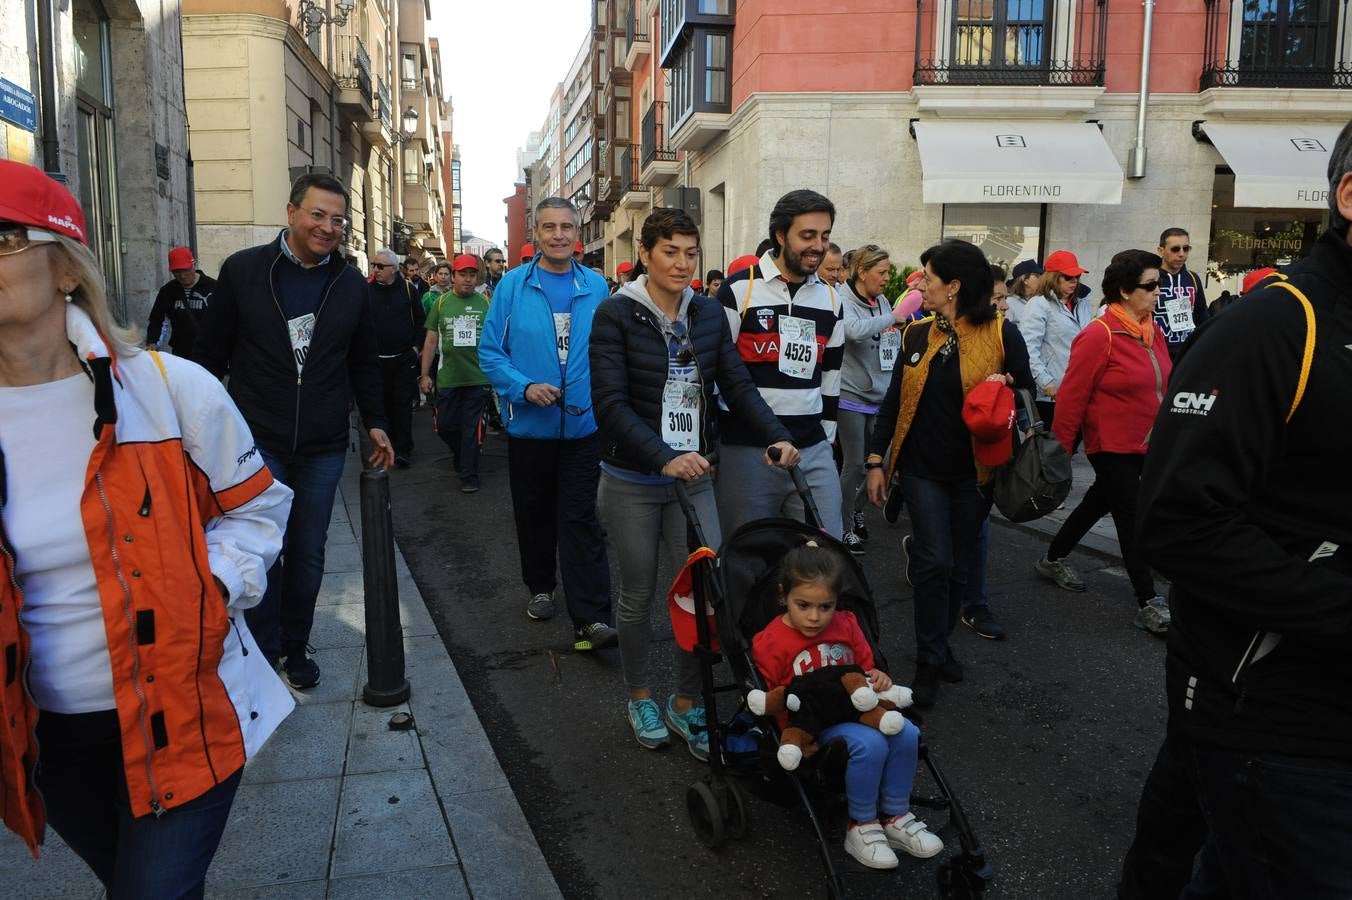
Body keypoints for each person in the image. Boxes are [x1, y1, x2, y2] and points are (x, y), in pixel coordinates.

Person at [0, 159, 294, 894]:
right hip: (47, 738)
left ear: (67, 269)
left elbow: (258, 510)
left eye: (4, 239)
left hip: (183, 713)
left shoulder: (168, 393)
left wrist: (210, 585)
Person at [1122, 120, 1352, 900]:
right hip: (1276, 709)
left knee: (1184, 858)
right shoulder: (1276, 324)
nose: (1171, 274)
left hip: (1282, 705)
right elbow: (1179, 522)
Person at [591, 207, 799, 759]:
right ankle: (640, 695)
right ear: (646, 254)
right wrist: (662, 457)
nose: (683, 263)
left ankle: (687, 704)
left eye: (691, 252)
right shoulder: (615, 314)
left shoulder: (708, 313)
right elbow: (609, 404)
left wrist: (776, 436)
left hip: (697, 474)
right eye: (671, 252)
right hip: (634, 479)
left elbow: (738, 383)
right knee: (638, 593)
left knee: (705, 591)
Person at [194, 172, 394, 688]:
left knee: (308, 550)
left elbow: (363, 362)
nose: (327, 227)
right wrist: (190, 429)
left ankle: (294, 645)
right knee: (263, 547)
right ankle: (261, 647)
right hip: (257, 441)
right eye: (317, 215)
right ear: (291, 213)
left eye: (337, 219)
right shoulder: (243, 272)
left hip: (324, 445)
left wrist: (375, 423)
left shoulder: (351, 284)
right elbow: (208, 357)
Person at [865, 239, 1034, 707]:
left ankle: (940, 650)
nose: (920, 284)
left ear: (954, 286)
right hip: (920, 470)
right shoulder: (916, 334)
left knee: (959, 564)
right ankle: (927, 663)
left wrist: (1005, 384)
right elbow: (894, 402)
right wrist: (877, 460)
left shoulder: (1001, 333)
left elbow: (1026, 390)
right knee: (933, 561)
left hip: (977, 473)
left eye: (929, 278)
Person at [752, 541, 942, 869]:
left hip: (857, 709)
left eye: (825, 607)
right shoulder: (771, 641)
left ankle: (895, 815)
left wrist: (879, 679)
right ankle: (861, 825)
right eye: (804, 605)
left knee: (908, 732)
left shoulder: (846, 624)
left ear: (837, 601)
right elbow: (777, 699)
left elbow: (866, 671)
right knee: (869, 745)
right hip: (813, 724)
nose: (814, 617)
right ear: (783, 596)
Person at [479, 197, 616, 648]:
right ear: (534, 233)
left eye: (567, 227)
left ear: (578, 232)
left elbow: (608, 351)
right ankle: (540, 586)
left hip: (583, 428)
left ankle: (591, 618)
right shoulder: (513, 286)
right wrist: (523, 387)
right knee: (534, 515)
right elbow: (490, 353)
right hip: (530, 429)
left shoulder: (596, 287)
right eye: (549, 227)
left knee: (580, 519)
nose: (559, 235)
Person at [1032, 250, 1172, 630]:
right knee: (1131, 515)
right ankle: (1148, 599)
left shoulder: (1150, 329)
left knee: (1099, 502)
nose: (1158, 291)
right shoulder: (1100, 334)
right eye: (1151, 285)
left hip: (1147, 442)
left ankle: (1052, 557)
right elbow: (1073, 395)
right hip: (1111, 445)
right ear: (1125, 291)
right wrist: (1060, 450)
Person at [715, 189, 847, 539]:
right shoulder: (737, 291)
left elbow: (831, 377)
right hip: (748, 450)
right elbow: (718, 374)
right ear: (780, 235)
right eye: (807, 235)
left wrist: (826, 441)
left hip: (812, 449)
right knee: (749, 558)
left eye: (825, 236)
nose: (818, 245)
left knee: (825, 556)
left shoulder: (832, 299)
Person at [838, 244, 910, 554]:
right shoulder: (842, 298)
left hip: (880, 397)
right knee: (854, 465)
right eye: (881, 272)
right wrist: (892, 318)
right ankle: (841, 527)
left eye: (888, 272)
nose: (886, 278)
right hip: (851, 395)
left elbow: (887, 336)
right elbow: (852, 331)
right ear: (861, 272)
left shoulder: (880, 301)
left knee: (878, 462)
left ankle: (855, 511)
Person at [420, 254, 493, 493]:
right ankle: (463, 456)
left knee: (471, 429)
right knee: (445, 425)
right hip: (449, 377)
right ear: (453, 277)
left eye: (472, 275)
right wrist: (425, 375)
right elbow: (431, 341)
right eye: (463, 274)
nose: (468, 279)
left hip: (478, 377)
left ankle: (469, 475)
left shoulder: (485, 303)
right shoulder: (441, 303)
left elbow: (495, 340)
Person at [1018, 249, 1093, 428]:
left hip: (1078, 387)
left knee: (1071, 444)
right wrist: (1045, 381)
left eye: (1077, 277)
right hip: (1051, 391)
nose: (1074, 281)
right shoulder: (1038, 304)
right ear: (1053, 277)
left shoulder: (1082, 303)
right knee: (1052, 447)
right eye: (1068, 277)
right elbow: (1028, 348)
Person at [366, 248, 423, 467]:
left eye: (381, 266)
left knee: (402, 406)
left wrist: (415, 350)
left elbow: (420, 321)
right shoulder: (366, 290)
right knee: (381, 406)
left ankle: (402, 450)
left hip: (403, 360)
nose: (376, 270)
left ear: (394, 269)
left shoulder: (409, 290)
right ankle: (383, 447)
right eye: (374, 265)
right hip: (376, 361)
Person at [146, 246, 216, 356]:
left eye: (186, 270)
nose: (182, 276)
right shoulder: (167, 291)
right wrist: (153, 343)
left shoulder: (213, 287)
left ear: (194, 265)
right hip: (180, 353)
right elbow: (157, 320)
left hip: (209, 352)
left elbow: (225, 319)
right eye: (176, 272)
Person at [1153, 227, 1209, 361]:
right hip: (1154, 354)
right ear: (1161, 251)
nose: (1181, 254)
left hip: (1187, 355)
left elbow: (1202, 317)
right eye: (1175, 249)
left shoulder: (1193, 278)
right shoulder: (1151, 278)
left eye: (1186, 248)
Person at [1005, 259, 1041, 325]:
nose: (1041, 279)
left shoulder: (1037, 301)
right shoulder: (1009, 303)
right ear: (1025, 279)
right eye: (1037, 276)